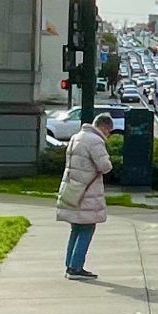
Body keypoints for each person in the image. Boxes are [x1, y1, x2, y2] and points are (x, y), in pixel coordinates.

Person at [56, 113, 115, 279]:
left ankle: (70, 265)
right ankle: (76, 268)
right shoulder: (95, 141)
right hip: (88, 193)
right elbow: (105, 166)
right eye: (108, 131)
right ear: (104, 127)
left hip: (74, 188)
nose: (108, 134)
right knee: (87, 228)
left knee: (76, 228)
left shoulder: (76, 137)